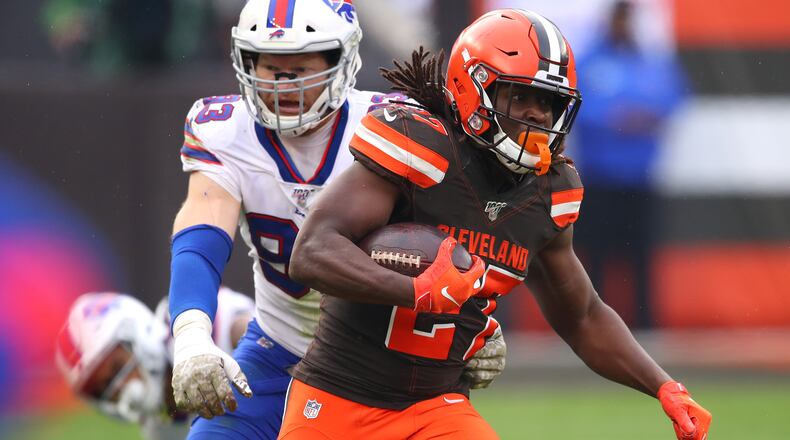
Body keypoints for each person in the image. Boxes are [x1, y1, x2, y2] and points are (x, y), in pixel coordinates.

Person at [280, 8, 711, 440]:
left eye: (548, 102)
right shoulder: (421, 148)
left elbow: (582, 315)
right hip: (339, 396)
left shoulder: (549, 192)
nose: (538, 114)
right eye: (520, 96)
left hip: (437, 405)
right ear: (472, 90)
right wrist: (414, 289)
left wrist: (663, 386)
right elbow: (312, 251)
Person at [166, 1, 506, 438]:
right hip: (278, 350)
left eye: (300, 66)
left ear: (341, 60)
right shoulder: (225, 130)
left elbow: (457, 233)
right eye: (269, 66)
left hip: (383, 369)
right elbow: (202, 233)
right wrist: (192, 334)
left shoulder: (392, 126)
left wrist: (478, 318)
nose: (283, 83)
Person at [572, 0, 688, 326]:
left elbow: (673, 97)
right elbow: (579, 104)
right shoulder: (591, 61)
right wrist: (618, 117)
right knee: (594, 258)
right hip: (600, 179)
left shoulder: (649, 62)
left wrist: (643, 115)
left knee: (640, 258)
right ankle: (590, 326)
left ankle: (644, 326)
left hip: (640, 180)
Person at [55, 287, 253, 440]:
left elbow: (261, 337)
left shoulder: (196, 328)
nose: (118, 389)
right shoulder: (159, 428)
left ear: (137, 337)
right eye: (105, 387)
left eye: (117, 369)